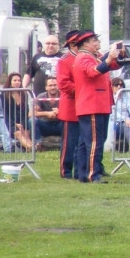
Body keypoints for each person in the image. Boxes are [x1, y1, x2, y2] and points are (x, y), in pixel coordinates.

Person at [73, 31, 122, 183]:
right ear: (86, 43)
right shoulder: (84, 57)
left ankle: (83, 173)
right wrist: (109, 58)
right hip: (92, 104)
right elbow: (94, 71)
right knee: (94, 142)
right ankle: (92, 174)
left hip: (97, 105)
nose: (98, 43)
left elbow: (110, 65)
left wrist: (118, 55)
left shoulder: (93, 56)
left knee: (87, 142)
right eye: (94, 40)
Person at [56, 30, 81, 179]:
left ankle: (79, 170)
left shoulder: (87, 57)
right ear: (72, 44)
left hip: (84, 105)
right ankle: (66, 171)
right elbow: (63, 84)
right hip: (71, 108)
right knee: (69, 143)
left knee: (81, 142)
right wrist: (82, 90)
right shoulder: (64, 60)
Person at [3, 72, 33, 152]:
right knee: (18, 133)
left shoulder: (24, 94)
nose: (17, 82)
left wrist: (22, 124)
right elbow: (5, 114)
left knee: (26, 132)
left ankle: (31, 148)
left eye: (19, 80)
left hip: (22, 122)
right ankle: (31, 148)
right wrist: (15, 124)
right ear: (10, 82)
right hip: (8, 123)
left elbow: (25, 112)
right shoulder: (4, 95)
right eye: (15, 80)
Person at [31, 76, 63, 145]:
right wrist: (47, 113)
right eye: (50, 85)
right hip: (45, 124)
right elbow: (31, 113)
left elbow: (71, 111)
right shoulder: (41, 96)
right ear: (46, 87)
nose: (53, 87)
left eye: (55, 85)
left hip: (60, 124)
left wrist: (60, 112)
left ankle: (66, 143)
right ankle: (38, 144)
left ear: (58, 86)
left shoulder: (63, 96)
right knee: (32, 120)